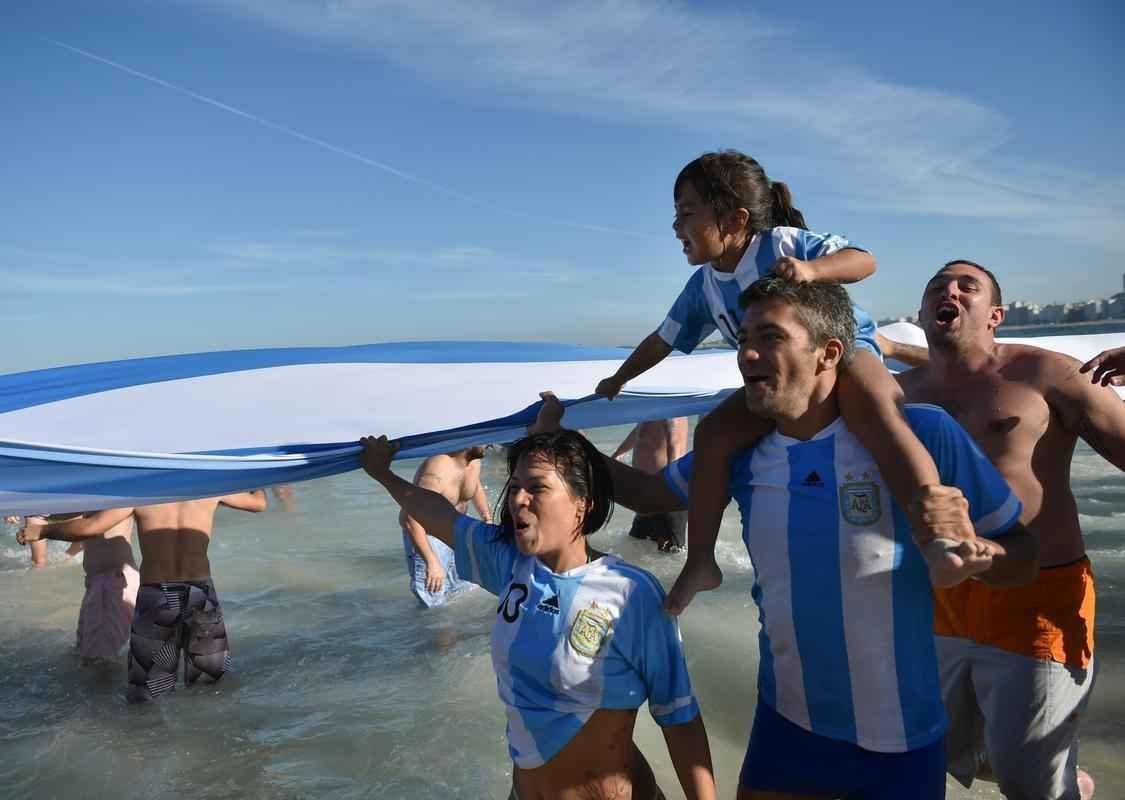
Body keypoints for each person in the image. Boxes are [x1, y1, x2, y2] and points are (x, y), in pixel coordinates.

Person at [554, 276, 1038, 799]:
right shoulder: (737, 452)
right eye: (741, 339)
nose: (747, 353)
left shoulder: (925, 435)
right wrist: (563, 439)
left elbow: (1024, 555)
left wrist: (986, 560)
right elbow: (648, 494)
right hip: (787, 725)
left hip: (901, 740)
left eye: (770, 336)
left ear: (828, 353)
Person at [594, 150, 962, 614]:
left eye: (686, 213)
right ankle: (701, 563)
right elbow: (662, 339)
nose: (674, 227)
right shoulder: (703, 287)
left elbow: (863, 260)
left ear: (734, 219)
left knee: (879, 408)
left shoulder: (779, 244)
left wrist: (813, 270)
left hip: (846, 352)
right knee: (712, 434)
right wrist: (618, 379)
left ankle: (938, 530)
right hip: (781, 382)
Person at [360, 430, 716, 800]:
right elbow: (439, 515)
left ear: (583, 502)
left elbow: (679, 717)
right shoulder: (510, 564)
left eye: (537, 487)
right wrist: (382, 473)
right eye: (514, 486)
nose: (517, 498)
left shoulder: (631, 593)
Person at [898, 259, 1125, 800]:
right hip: (938, 598)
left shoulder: (1049, 374)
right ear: (925, 313)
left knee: (1032, 786)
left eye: (965, 286)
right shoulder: (895, 396)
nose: (947, 291)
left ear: (995, 314)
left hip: (1038, 595)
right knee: (930, 749)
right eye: (936, 288)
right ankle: (1056, 772)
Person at [19, 491, 267, 703]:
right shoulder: (210, 488)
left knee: (148, 694)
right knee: (211, 685)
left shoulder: (144, 493)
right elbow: (259, 503)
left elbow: (90, 527)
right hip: (199, 594)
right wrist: (259, 473)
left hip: (158, 596)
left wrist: (42, 530)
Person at [400, 446, 490, 607]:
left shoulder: (474, 461)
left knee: (465, 592)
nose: (490, 443)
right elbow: (410, 518)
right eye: (485, 438)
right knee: (434, 606)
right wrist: (431, 562)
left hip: (457, 530)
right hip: (428, 537)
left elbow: (474, 485)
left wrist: (487, 519)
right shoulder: (438, 468)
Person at [611, 418, 689, 551]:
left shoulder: (671, 414)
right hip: (649, 495)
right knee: (636, 544)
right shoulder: (654, 412)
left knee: (670, 553)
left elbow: (674, 446)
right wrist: (619, 453)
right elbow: (639, 432)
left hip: (665, 495)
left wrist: (667, 492)